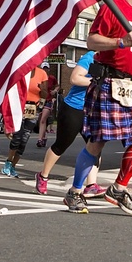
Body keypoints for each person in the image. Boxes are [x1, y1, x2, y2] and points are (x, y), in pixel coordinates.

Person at [62, 0, 132, 215]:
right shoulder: (112, 8)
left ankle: (118, 188)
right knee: (98, 142)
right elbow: (92, 40)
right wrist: (121, 41)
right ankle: (75, 192)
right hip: (110, 81)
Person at [34, 51, 106, 197]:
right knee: (61, 145)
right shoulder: (92, 57)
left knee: (95, 146)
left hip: (94, 110)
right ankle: (43, 176)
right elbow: (75, 78)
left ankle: (91, 185)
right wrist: (98, 82)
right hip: (74, 107)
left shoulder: (116, 61)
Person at [2, 64, 48, 177]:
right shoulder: (21, 71)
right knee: (17, 136)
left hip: (33, 108)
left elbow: (45, 94)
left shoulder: (42, 74)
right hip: (20, 106)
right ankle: (8, 162)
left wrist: (42, 90)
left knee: (24, 138)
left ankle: (13, 166)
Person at [35, 63, 58, 148]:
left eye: (46, 68)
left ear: (48, 69)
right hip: (40, 100)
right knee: (40, 119)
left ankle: (40, 139)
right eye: (43, 68)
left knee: (43, 120)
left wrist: (54, 91)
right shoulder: (38, 77)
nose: (45, 70)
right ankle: (44, 137)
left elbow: (57, 86)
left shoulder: (51, 78)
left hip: (48, 100)